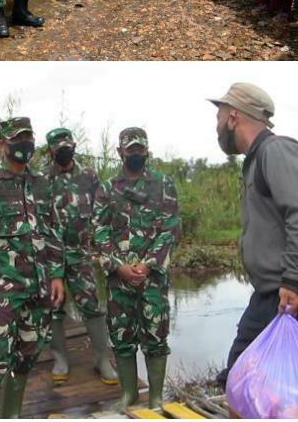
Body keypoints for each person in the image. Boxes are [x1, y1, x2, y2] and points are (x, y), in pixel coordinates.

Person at [209, 83, 298, 387]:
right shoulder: (255, 160)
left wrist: (293, 282)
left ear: (233, 117)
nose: (216, 126)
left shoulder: (277, 151)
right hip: (272, 293)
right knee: (238, 378)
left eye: (218, 117)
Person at [0, 117, 65, 418]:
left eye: (28, 137)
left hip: (39, 287)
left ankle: (11, 415)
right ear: (3, 145)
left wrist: (57, 274)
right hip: (0, 290)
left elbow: (53, 230)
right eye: (17, 139)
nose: (24, 144)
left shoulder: (42, 182)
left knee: (26, 357)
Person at [92, 127, 181, 412]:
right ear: (120, 152)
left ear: (147, 151)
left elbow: (169, 230)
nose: (135, 154)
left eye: (140, 149)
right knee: (121, 336)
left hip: (152, 277)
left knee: (156, 335)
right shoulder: (107, 189)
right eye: (130, 149)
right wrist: (118, 267)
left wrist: (148, 263)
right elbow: (98, 232)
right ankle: (129, 394)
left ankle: (156, 397)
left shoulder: (163, 184)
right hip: (119, 279)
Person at [36, 128, 117, 385]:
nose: (63, 149)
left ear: (73, 144)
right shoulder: (41, 178)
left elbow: (102, 211)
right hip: (50, 256)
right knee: (54, 307)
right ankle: (60, 358)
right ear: (50, 150)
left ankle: (102, 359)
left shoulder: (90, 176)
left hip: (80, 255)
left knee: (92, 306)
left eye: (66, 144)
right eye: (57, 146)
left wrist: (102, 245)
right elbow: (38, 219)